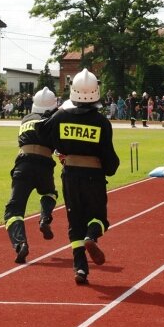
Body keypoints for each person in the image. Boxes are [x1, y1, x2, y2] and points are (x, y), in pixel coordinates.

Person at [37, 69, 120, 285]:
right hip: (94, 176)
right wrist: (111, 168)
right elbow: (109, 158)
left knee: (75, 223)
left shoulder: (60, 116)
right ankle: (91, 237)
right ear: (96, 92)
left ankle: (80, 269)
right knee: (99, 218)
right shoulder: (102, 122)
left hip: (70, 175)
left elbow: (42, 130)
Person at [3, 87, 59, 264]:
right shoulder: (53, 121)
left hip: (24, 164)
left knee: (14, 210)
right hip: (45, 164)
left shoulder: (26, 119)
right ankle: (44, 217)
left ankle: (20, 244)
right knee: (49, 193)